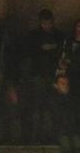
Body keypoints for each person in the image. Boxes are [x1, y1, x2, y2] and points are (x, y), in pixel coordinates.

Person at [19, 9, 63, 141]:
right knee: (38, 105)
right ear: (40, 22)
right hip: (38, 74)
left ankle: (54, 135)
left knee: (54, 105)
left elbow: (63, 52)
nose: (47, 25)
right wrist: (41, 49)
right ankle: (36, 135)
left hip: (54, 74)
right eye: (44, 23)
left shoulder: (59, 35)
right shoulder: (33, 36)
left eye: (48, 23)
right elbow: (27, 53)